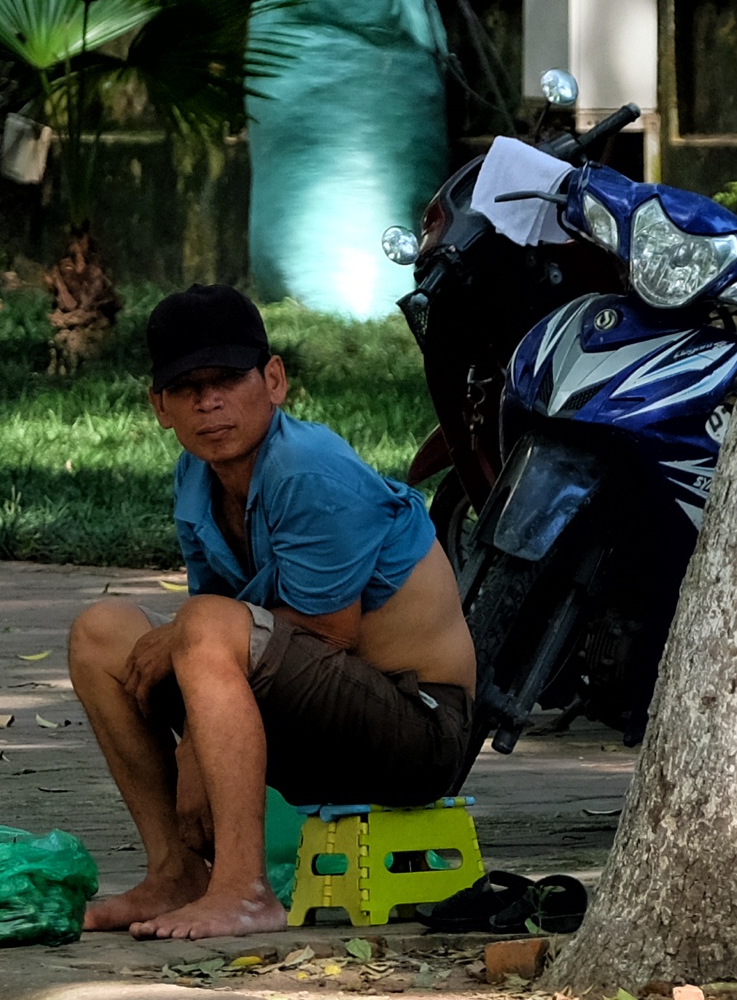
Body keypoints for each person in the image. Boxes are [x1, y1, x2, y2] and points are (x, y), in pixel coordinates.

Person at [66, 283, 477, 941]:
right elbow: (224, 623)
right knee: (101, 633)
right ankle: (175, 873)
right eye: (186, 386)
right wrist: (194, 737)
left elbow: (328, 631)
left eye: (227, 378)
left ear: (274, 379)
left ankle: (243, 889)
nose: (209, 401)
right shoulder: (197, 477)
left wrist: (196, 753)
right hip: (309, 717)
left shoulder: (308, 467)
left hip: (417, 730)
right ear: (159, 406)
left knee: (197, 627)